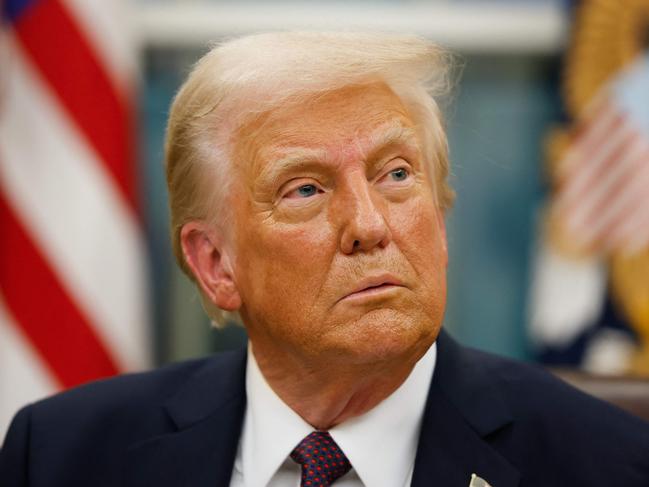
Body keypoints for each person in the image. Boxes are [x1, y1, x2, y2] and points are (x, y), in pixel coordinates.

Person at [1, 32, 648, 487]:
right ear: (215, 264)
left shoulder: (609, 464)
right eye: (305, 188)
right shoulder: (62, 456)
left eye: (395, 174)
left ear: (440, 220)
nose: (369, 225)